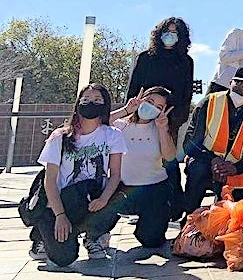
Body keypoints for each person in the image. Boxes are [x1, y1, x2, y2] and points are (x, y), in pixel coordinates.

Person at [30, 84, 127, 265]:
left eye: (97, 100)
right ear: (78, 104)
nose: (91, 103)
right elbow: (49, 181)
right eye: (86, 100)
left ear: (105, 105)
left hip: (92, 196)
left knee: (121, 195)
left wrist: (104, 199)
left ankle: (95, 236)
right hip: (64, 200)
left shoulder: (113, 135)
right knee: (64, 258)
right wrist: (60, 215)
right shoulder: (60, 136)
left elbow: (115, 175)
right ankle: (42, 233)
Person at [123, 16, 193, 221]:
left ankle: (174, 207)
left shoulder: (186, 61)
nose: (170, 36)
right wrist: (133, 113)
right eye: (166, 31)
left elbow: (186, 94)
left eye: (175, 32)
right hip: (142, 115)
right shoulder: (146, 58)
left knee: (168, 162)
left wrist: (174, 121)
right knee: (140, 158)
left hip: (168, 119)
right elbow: (134, 88)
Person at [182, 67, 243, 212]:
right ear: (230, 82)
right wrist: (213, 160)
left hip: (238, 166)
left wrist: (235, 168)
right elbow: (190, 141)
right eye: (239, 82)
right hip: (206, 160)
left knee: (242, 211)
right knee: (196, 174)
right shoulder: (209, 102)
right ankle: (188, 220)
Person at [108, 86, 177, 248]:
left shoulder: (161, 129)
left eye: (158, 107)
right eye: (149, 101)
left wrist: (162, 129)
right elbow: (95, 124)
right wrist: (125, 110)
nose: (151, 107)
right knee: (102, 204)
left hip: (154, 189)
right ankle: (99, 234)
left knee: (151, 240)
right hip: (120, 188)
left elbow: (169, 156)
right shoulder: (119, 125)